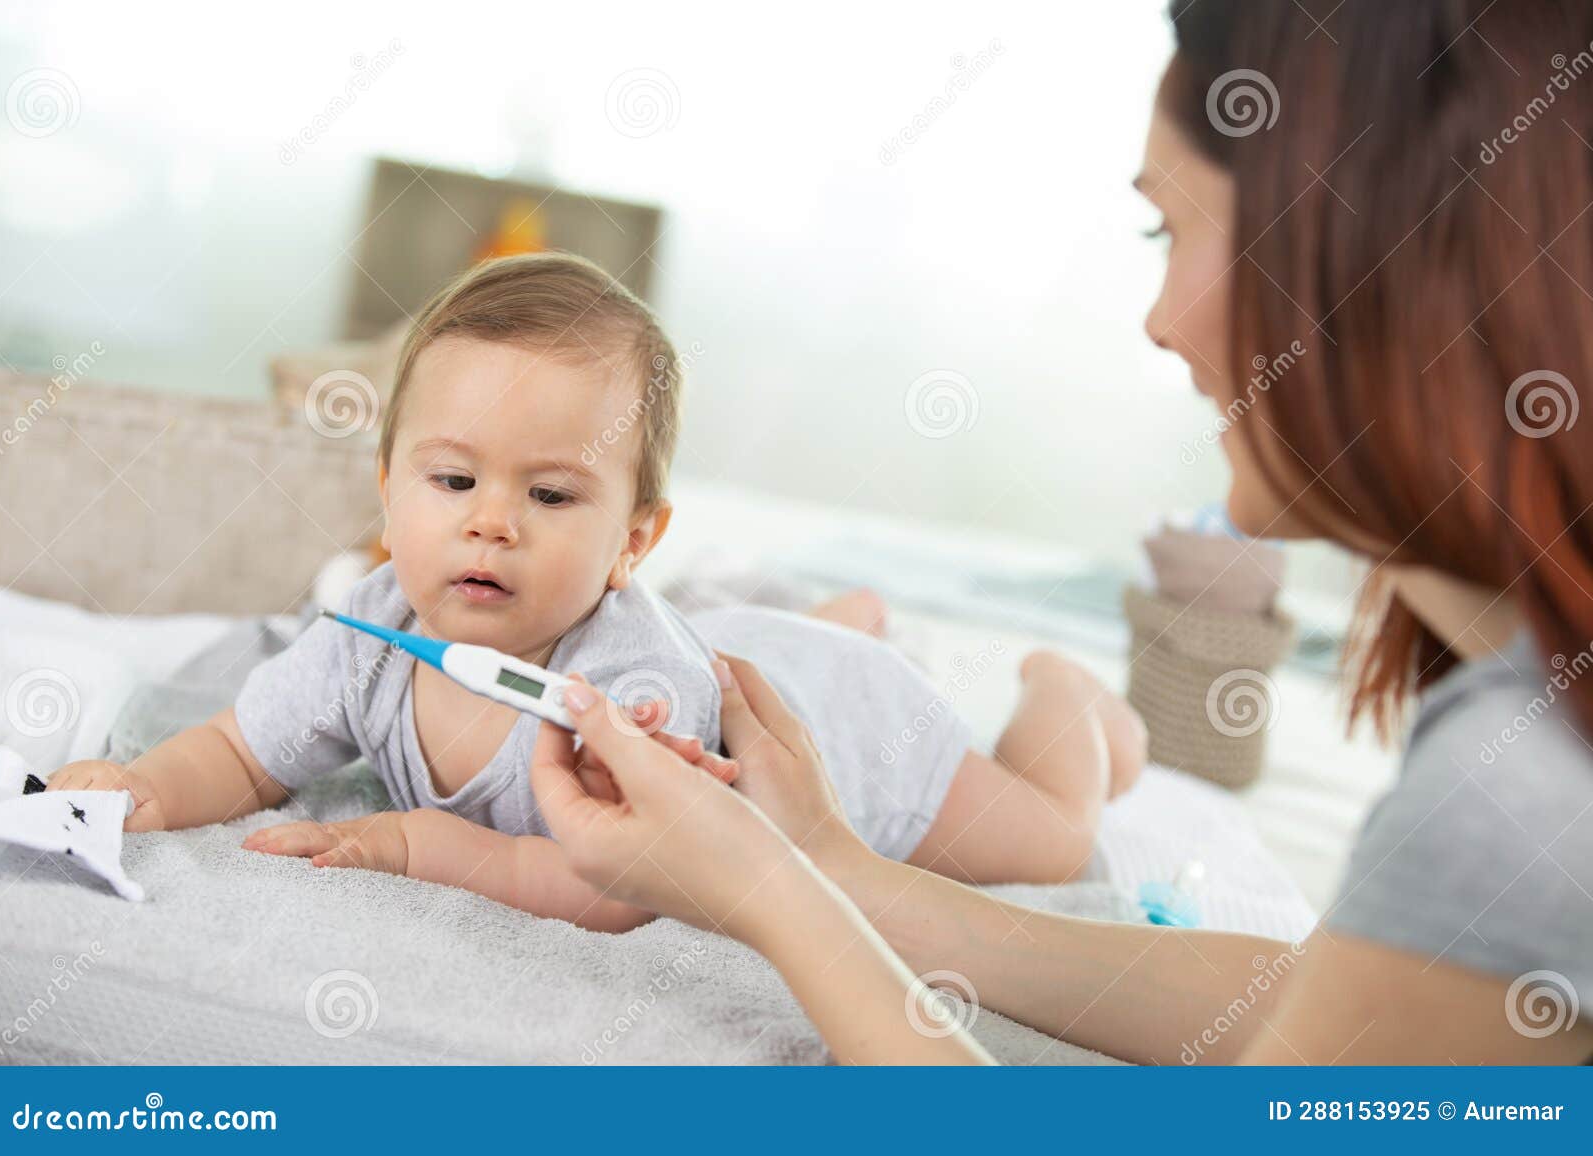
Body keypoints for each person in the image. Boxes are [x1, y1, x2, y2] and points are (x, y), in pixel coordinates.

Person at [527, 0, 1593, 1063]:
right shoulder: (1530, 732)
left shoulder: (1520, 797)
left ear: (1373, 257)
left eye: (1168, 230)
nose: (1159, 320)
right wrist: (826, 869)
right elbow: (1340, 1004)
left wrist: (769, 897)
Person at [44, 252, 1143, 931]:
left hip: (843, 730)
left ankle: (1070, 699)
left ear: (633, 540)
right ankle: (829, 617)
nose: (490, 519)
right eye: (452, 478)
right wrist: (143, 786)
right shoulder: (365, 635)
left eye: (552, 494)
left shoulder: (627, 685)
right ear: (389, 497)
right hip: (734, 653)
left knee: (1050, 839)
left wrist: (415, 844)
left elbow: (619, 888)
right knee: (745, 647)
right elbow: (242, 751)